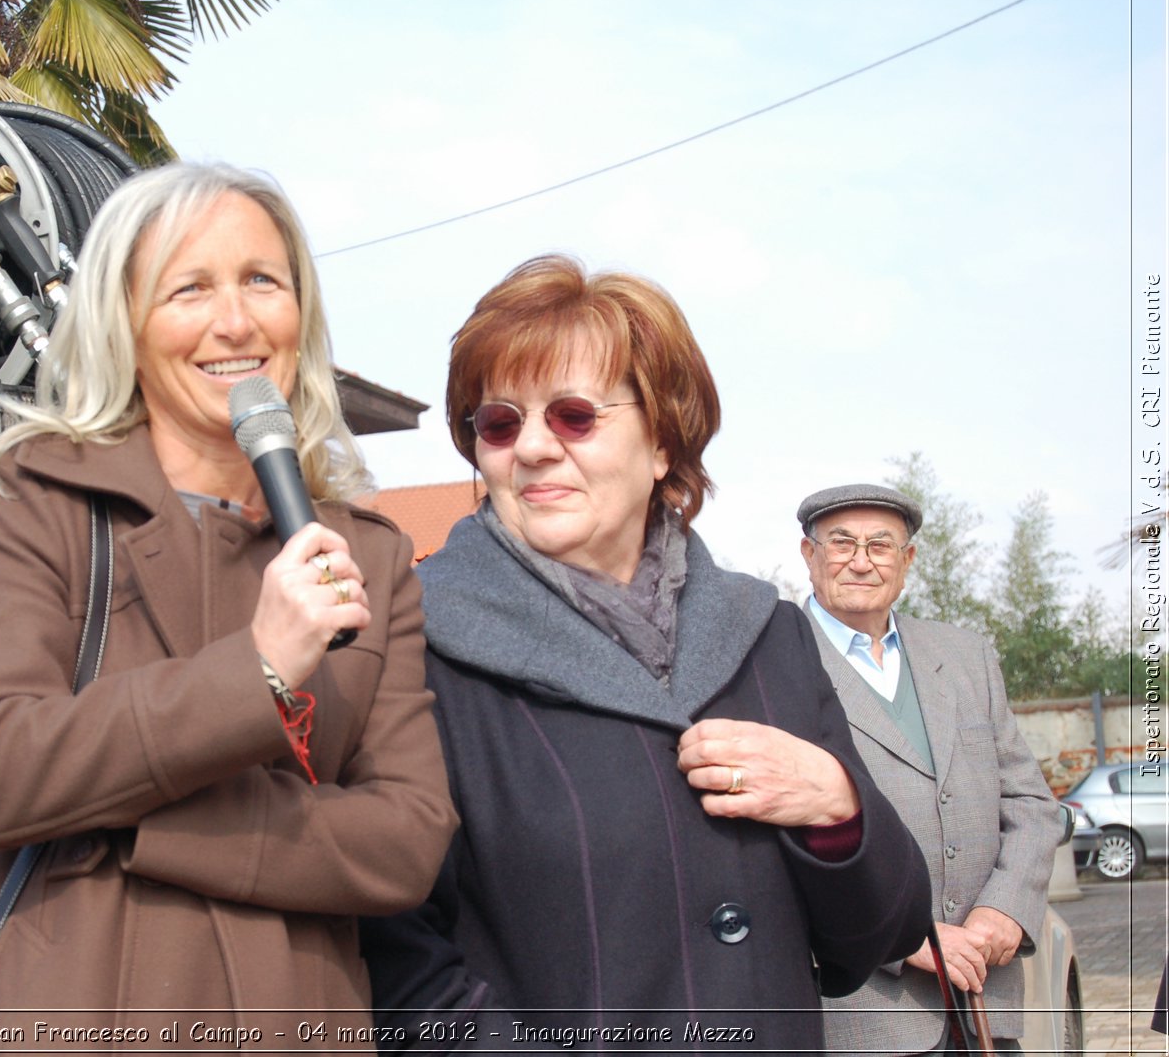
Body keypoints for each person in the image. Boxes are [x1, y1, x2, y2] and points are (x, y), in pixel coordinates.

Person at [0, 162, 457, 1050]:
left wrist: (135, 825)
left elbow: (405, 841)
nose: (236, 321)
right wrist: (254, 671)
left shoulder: (366, 552)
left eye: (263, 281)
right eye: (190, 289)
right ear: (124, 325)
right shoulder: (36, 499)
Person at [360, 254, 931, 1052]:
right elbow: (396, 968)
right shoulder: (416, 648)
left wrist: (836, 810)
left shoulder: (769, 635)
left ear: (662, 440)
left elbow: (882, 932)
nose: (529, 448)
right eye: (498, 422)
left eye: (573, 416)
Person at [797, 483, 1064, 1054]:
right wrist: (898, 936)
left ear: (908, 559)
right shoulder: (773, 662)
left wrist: (1003, 911)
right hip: (855, 1016)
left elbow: (1030, 804)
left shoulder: (966, 655)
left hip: (982, 1008)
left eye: (881, 545)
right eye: (841, 543)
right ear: (808, 554)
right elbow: (764, 842)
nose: (862, 561)